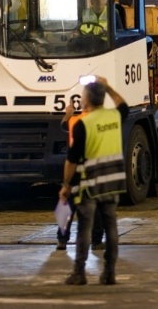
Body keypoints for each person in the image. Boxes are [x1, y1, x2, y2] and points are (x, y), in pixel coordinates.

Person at [59, 76, 128, 286]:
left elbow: (72, 159)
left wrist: (66, 185)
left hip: (90, 184)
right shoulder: (115, 117)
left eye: (83, 96)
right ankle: (109, 273)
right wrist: (107, 86)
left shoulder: (83, 124)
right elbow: (122, 104)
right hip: (113, 181)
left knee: (84, 228)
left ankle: (79, 273)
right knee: (111, 226)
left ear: (86, 100)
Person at [56, 99, 105, 251]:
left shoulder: (74, 120)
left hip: (74, 169)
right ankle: (96, 241)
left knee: (69, 204)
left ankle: (62, 240)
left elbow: (64, 125)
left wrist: (68, 113)